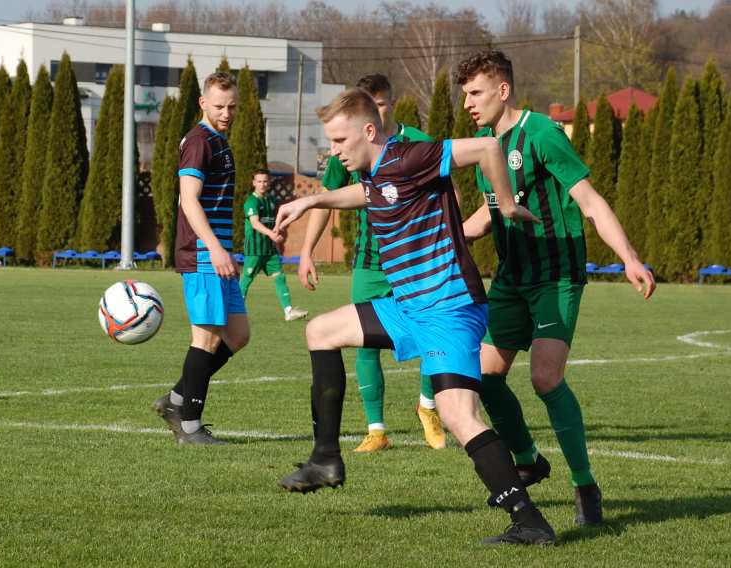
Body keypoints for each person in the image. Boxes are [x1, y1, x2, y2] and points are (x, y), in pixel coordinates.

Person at [275, 87, 556, 546]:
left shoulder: (408, 157)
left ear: (369, 131)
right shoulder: (380, 172)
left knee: (457, 415)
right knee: (320, 330)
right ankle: (325, 458)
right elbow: (366, 194)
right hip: (408, 306)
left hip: (448, 307)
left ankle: (529, 521)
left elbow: (487, 147)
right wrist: (311, 202)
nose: (334, 151)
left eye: (341, 141)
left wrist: (503, 205)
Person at [455, 50, 656, 525]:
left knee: (545, 378)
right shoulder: (485, 142)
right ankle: (527, 459)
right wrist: (443, 236)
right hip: (511, 278)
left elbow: (589, 200)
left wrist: (628, 257)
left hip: (555, 275)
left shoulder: (541, 133)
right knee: (482, 376)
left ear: (502, 91)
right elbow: (490, 213)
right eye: (464, 95)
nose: (468, 103)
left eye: (475, 93)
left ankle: (585, 485)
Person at [298, 73, 446, 452]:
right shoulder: (346, 150)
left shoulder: (418, 145)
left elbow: (451, 197)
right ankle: (376, 429)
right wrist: (306, 252)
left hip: (416, 263)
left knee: (432, 334)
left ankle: (428, 407)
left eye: (381, 105)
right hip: (369, 261)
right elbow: (325, 197)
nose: (376, 114)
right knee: (362, 343)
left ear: (389, 105)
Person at [151, 72, 250, 445]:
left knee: (237, 335)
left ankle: (176, 398)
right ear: (203, 103)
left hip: (217, 251)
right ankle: (189, 426)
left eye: (232, 106)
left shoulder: (218, 140)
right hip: (203, 253)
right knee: (206, 338)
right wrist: (215, 247)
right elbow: (188, 200)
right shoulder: (198, 142)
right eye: (220, 106)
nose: (226, 113)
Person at [239, 168, 308, 321]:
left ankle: (288, 311)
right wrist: (272, 234)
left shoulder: (270, 200)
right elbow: (255, 223)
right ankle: (234, 312)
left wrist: (277, 230)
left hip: (269, 249)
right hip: (254, 249)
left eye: (265, 181)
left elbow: (273, 222)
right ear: (253, 183)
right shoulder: (252, 201)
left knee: (280, 277)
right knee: (246, 279)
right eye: (259, 181)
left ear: (269, 182)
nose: (262, 184)